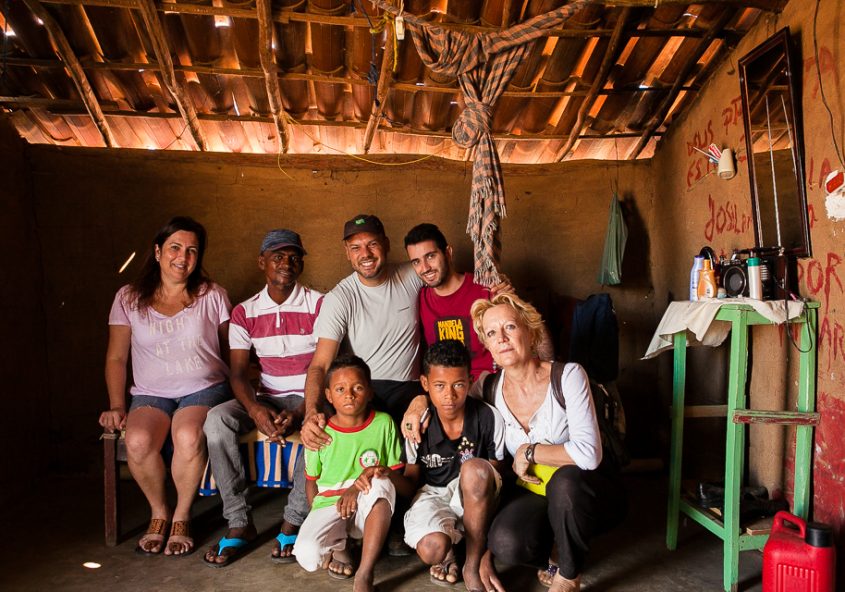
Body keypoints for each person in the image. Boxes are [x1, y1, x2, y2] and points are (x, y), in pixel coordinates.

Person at [469, 293, 627, 592]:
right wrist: (417, 404)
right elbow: (450, 407)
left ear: (531, 332)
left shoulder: (567, 376)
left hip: (587, 491)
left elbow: (589, 455)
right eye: (491, 333)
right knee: (506, 543)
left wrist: (529, 452)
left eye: (510, 327)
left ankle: (568, 574)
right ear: (487, 345)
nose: (501, 338)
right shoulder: (487, 387)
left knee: (565, 483)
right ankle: (558, 545)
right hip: (535, 490)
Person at [99, 216, 232, 557]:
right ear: (158, 252)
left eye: (192, 250)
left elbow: (231, 350)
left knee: (187, 434)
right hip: (151, 392)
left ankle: (182, 515)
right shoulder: (129, 298)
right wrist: (117, 406)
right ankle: (159, 512)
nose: (182, 257)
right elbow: (116, 357)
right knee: (138, 440)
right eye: (175, 247)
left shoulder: (212, 295)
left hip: (204, 388)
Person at [203, 229, 323, 567]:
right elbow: (238, 374)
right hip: (267, 397)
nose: (287, 263)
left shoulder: (319, 304)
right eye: (278, 257)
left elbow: (326, 368)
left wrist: (302, 411)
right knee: (216, 420)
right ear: (262, 262)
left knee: (319, 425)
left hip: (309, 397)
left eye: (294, 257)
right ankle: (239, 521)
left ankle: (294, 520)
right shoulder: (245, 312)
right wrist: (256, 410)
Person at [301, 214, 424, 449]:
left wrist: (493, 287)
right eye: (355, 247)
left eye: (372, 244)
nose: (365, 254)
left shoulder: (412, 275)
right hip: (364, 390)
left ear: (386, 244)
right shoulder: (340, 298)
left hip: (409, 389)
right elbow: (321, 365)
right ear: (347, 252)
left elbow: (448, 278)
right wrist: (311, 412)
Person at [293, 355, 409, 592]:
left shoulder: (383, 424)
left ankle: (365, 573)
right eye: (340, 389)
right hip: (330, 505)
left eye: (357, 388)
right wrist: (318, 516)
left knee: (380, 480)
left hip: (368, 506)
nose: (349, 395)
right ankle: (341, 547)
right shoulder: (319, 432)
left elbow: (403, 485)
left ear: (370, 392)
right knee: (308, 555)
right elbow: (311, 482)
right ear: (328, 396)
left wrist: (377, 474)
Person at [402, 340, 505, 592]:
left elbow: (497, 474)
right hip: (434, 493)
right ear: (425, 384)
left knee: (474, 470)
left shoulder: (488, 417)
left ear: (470, 381)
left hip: (476, 494)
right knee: (432, 549)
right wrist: (383, 477)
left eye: (458, 384)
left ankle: (472, 563)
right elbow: (411, 478)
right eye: (439, 385)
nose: (449, 395)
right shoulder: (417, 424)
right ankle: (449, 549)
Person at [404, 222, 554, 382]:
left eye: (430, 256)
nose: (425, 268)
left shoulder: (487, 288)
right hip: (449, 389)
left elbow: (534, 330)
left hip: (488, 383)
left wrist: (549, 376)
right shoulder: (419, 299)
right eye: (416, 262)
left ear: (448, 253)